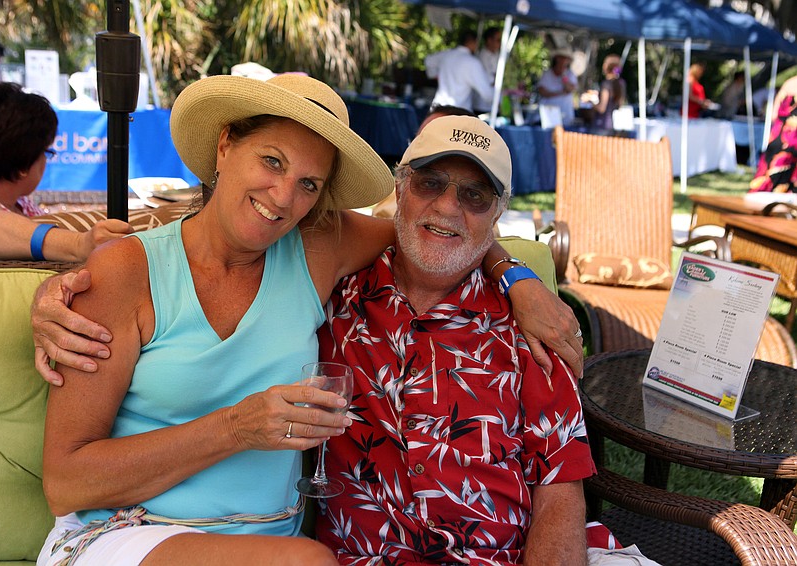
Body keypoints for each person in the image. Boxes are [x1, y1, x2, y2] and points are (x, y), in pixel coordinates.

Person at [33, 74, 583, 566]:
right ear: (225, 145)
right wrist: (236, 428)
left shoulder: (316, 250)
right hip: (132, 532)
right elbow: (65, 482)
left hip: (269, 540)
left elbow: (441, 231)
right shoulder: (129, 271)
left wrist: (516, 276)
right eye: (271, 161)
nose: (282, 197)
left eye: (309, 185)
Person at [318, 115, 593, 564]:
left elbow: (560, 492)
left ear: (498, 212)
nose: (447, 207)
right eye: (430, 183)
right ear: (400, 186)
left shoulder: (531, 328)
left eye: (474, 195)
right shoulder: (334, 297)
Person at [0, 82, 132, 261]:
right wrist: (78, 244)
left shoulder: (11, 200)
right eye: (47, 152)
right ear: (22, 166)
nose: (46, 160)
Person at [371, 105, 475, 220]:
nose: (417, 149)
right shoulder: (397, 188)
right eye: (418, 140)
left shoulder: (478, 221)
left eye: (433, 142)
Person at [425, 31, 494, 113]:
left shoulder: (446, 55)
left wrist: (433, 74)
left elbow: (428, 61)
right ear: (473, 42)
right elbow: (487, 94)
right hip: (458, 112)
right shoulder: (472, 63)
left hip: (438, 109)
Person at [749, 75, 797, 193]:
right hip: (793, 139)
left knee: (767, 175)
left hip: (777, 136)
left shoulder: (788, 83)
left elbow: (773, 115)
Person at [537, 48, 578, 125]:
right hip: (548, 116)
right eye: (561, 58)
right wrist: (560, 93)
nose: (563, 61)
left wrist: (563, 76)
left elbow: (570, 89)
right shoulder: (547, 74)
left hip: (566, 116)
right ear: (556, 58)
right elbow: (542, 91)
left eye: (566, 58)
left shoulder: (570, 74)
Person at [591, 54, 626, 132]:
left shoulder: (606, 84)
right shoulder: (621, 83)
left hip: (602, 125)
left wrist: (591, 102)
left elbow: (602, 108)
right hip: (613, 126)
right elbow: (619, 104)